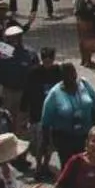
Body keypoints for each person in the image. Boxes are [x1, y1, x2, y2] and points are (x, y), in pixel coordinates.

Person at [41, 61, 95, 171]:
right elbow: (46, 120)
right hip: (65, 138)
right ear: (62, 76)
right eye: (67, 73)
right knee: (69, 168)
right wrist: (46, 143)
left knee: (87, 166)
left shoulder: (84, 84)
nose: (71, 76)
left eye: (73, 72)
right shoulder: (55, 93)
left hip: (86, 136)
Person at [22, 44, 64, 173]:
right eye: (45, 61)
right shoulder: (33, 72)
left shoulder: (58, 72)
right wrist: (24, 112)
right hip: (37, 113)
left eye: (50, 61)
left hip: (53, 114)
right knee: (39, 142)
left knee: (50, 143)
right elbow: (27, 92)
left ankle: (46, 164)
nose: (48, 64)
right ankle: (39, 165)